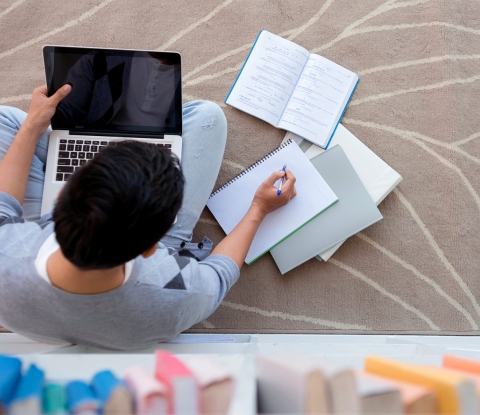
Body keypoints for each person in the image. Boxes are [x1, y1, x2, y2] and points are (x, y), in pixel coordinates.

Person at [0, 85, 296, 351]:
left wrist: (32, 126)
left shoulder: (7, 249)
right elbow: (219, 274)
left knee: (5, 119)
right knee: (207, 117)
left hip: (32, 289)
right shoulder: (174, 292)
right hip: (131, 272)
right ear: (152, 248)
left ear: (62, 197)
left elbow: (4, 205)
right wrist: (259, 208)